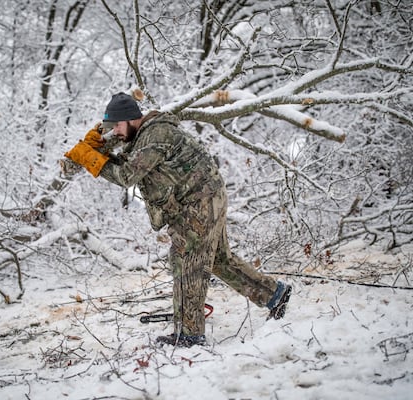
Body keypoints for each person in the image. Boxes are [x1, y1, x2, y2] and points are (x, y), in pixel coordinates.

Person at [65, 92, 292, 347]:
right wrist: (93, 150)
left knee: (186, 261)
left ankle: (190, 334)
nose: (115, 132)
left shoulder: (157, 135)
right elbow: (127, 160)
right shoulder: (143, 135)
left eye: (117, 126)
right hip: (206, 199)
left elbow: (127, 175)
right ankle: (275, 294)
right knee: (219, 261)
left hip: (199, 203)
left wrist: (91, 158)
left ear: (131, 120)